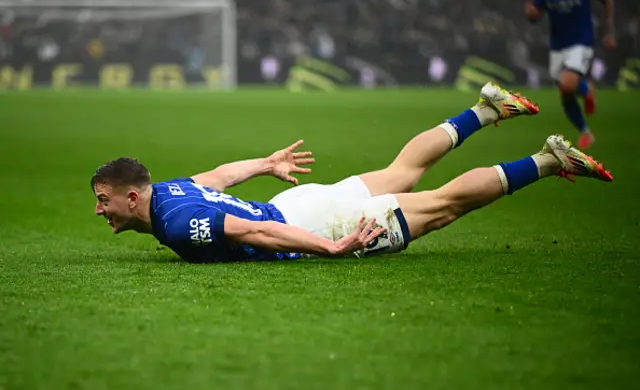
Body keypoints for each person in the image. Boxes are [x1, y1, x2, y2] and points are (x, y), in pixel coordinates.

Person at [91, 83, 612, 263]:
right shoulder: (173, 189)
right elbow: (221, 175)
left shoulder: (176, 222)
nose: (99, 209)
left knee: (442, 205)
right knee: (403, 171)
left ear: (133, 197)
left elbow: (257, 231)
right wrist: (268, 164)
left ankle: (548, 160)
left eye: (103, 199)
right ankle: (486, 109)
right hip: (303, 205)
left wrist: (331, 248)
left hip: (312, 225)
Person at [525, 0, 616, 149]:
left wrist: (609, 30)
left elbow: (607, 1)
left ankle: (586, 90)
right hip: (557, 46)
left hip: (581, 42)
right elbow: (534, 15)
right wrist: (531, 13)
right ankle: (585, 131)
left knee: (567, 83)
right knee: (565, 91)